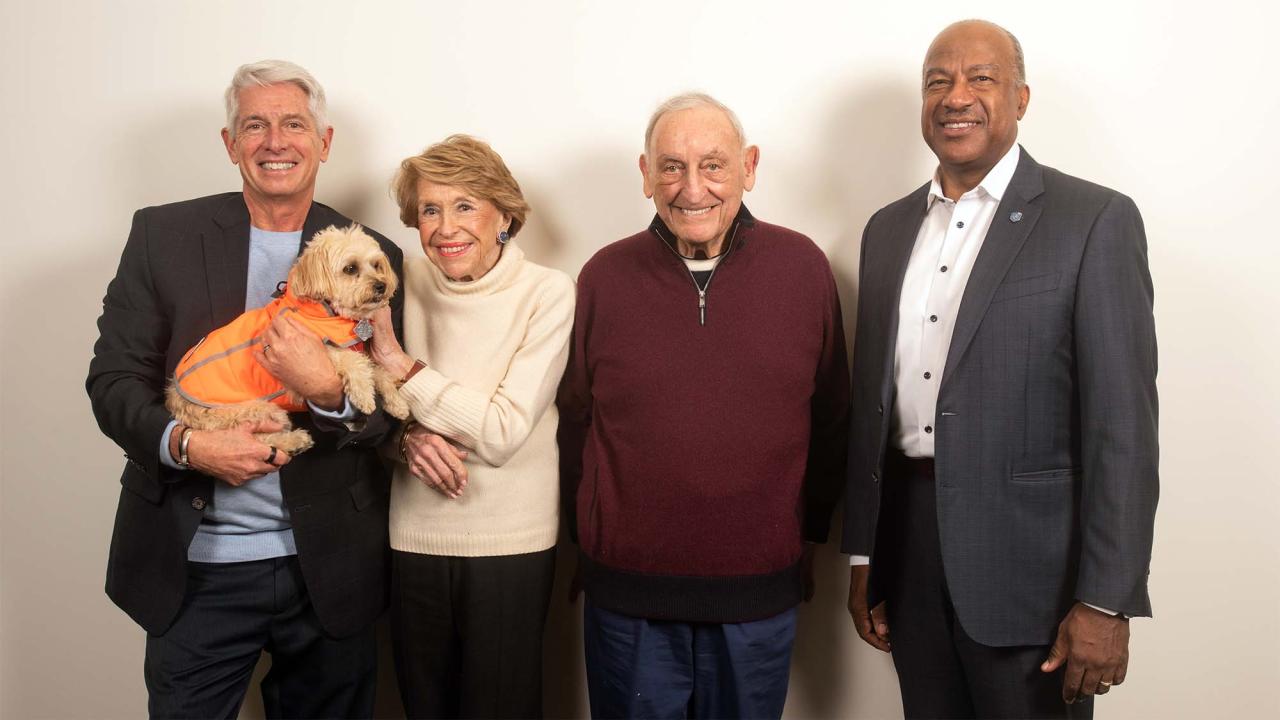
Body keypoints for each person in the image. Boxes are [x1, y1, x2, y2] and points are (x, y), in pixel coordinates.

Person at [842, 20, 1158, 719]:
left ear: (1020, 97)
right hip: (910, 557)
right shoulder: (886, 230)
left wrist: (1106, 599)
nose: (956, 97)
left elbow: (1123, 430)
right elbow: (874, 405)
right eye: (937, 81)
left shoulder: (1093, 220)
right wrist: (866, 554)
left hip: (1035, 578)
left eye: (979, 78)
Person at [86, 60, 403, 719]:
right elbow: (114, 382)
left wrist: (328, 390)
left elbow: (386, 421)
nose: (275, 141)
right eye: (254, 126)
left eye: (293, 124)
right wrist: (188, 444)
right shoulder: (162, 236)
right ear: (230, 145)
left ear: (325, 141)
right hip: (196, 564)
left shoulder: (374, 255)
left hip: (329, 569)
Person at [556, 93, 850, 719]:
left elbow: (831, 418)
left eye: (713, 165)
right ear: (644, 174)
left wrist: (807, 539)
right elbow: (574, 422)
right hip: (628, 597)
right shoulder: (603, 277)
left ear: (750, 166)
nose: (692, 188)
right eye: (671, 166)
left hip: (757, 593)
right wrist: (586, 539)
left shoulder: (803, 269)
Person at [367, 134, 575, 719]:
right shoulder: (399, 279)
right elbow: (371, 411)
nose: (445, 227)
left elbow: (504, 432)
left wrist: (403, 366)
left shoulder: (548, 292)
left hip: (512, 544)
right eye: (430, 210)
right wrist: (401, 440)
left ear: (504, 215)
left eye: (464, 206)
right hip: (412, 538)